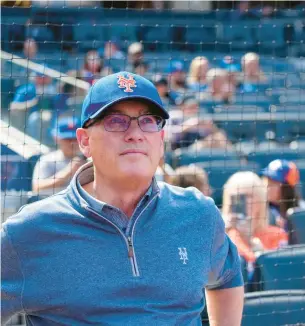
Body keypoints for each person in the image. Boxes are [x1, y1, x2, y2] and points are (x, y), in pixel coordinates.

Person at [2, 71, 244, 325]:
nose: (135, 133)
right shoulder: (29, 232)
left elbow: (227, 277)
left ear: (160, 140)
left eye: (148, 121)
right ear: (85, 142)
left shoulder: (198, 212)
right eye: (116, 121)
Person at [222, 171, 288, 265]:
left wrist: (260, 251)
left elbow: (280, 271)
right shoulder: (223, 238)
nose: (244, 203)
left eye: (249, 196)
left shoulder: (278, 235)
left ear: (260, 199)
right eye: (238, 197)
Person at [31, 116, 86, 196]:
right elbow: (37, 188)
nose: (72, 142)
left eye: (75, 138)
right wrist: (68, 171)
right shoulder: (47, 160)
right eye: (67, 139)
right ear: (56, 138)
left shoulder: (91, 160)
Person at [261, 159, 303, 231]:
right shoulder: (260, 208)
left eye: (273, 182)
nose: (267, 185)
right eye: (266, 180)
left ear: (287, 188)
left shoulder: (301, 211)